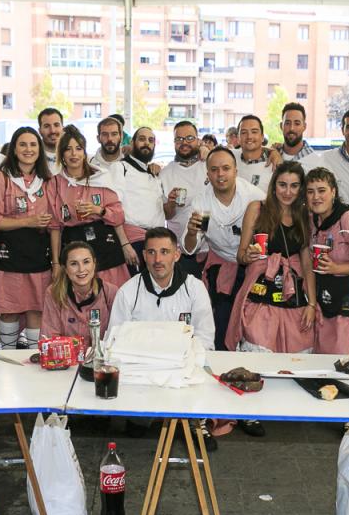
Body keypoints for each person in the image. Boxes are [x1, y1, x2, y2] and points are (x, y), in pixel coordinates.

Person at [110, 227, 216, 439]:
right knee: (135, 431)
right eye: (151, 252)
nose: (157, 259)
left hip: (183, 368)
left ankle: (196, 421)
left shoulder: (195, 288)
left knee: (205, 366)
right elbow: (115, 340)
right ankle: (141, 416)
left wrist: (181, 363)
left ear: (177, 255)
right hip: (143, 371)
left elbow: (205, 339)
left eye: (164, 252)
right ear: (144, 255)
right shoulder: (128, 291)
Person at [226, 161, 317, 366]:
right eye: (282, 185)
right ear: (274, 185)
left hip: (293, 298)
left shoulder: (305, 216)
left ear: (301, 188)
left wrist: (312, 304)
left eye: (294, 186)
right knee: (257, 360)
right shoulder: (257, 208)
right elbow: (241, 255)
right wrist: (248, 256)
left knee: (295, 363)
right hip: (260, 297)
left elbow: (307, 266)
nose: (288, 192)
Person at [0, 127, 56, 348]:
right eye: (22, 144)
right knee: (9, 310)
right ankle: (8, 356)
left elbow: (55, 222)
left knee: (36, 309)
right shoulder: (0, 178)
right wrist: (27, 221)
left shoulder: (48, 181)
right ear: (13, 149)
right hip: (7, 255)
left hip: (38, 254)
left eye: (33, 144)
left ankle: (34, 356)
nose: (28, 149)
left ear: (40, 150)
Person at [182, 147, 263, 349]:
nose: (220, 174)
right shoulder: (202, 203)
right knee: (222, 317)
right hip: (222, 262)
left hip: (253, 263)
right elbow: (191, 248)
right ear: (208, 174)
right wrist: (191, 233)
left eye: (226, 168)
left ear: (236, 170)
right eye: (214, 169)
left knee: (253, 318)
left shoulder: (253, 196)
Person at [50, 126, 134, 288]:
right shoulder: (55, 183)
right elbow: (55, 226)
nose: (74, 154)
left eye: (78, 148)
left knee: (112, 294)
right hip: (73, 248)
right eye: (68, 149)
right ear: (62, 154)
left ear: (84, 152)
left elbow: (118, 216)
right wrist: (55, 263)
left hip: (105, 243)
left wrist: (98, 210)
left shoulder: (100, 177)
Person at [305, 167, 349, 355]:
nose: (316, 197)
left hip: (347, 307)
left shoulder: (348, 220)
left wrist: (338, 268)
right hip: (323, 303)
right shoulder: (313, 221)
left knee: (341, 357)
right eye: (310, 192)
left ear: (333, 192)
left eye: (321, 190)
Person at [159, 121, 210, 277]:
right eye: (179, 139)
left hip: (212, 248)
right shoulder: (165, 173)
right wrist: (171, 204)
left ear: (198, 140)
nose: (184, 143)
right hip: (179, 252)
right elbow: (167, 216)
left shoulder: (209, 165)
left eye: (189, 138)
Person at [40, 241, 118, 340]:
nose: (81, 269)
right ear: (65, 269)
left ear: (94, 264)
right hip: (66, 350)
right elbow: (49, 337)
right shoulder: (54, 293)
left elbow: (118, 334)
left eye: (86, 262)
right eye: (74, 264)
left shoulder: (110, 292)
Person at [110, 126, 167, 263]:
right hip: (133, 241)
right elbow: (113, 209)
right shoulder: (120, 167)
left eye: (151, 140)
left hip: (157, 240)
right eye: (142, 139)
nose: (147, 143)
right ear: (132, 143)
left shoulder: (154, 173)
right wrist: (125, 244)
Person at [234, 114, 280, 189]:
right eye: (244, 132)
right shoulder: (230, 157)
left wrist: (273, 151)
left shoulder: (274, 165)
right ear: (238, 138)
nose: (249, 136)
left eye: (254, 132)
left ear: (262, 137)